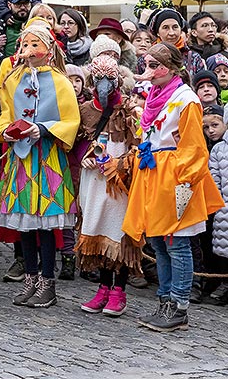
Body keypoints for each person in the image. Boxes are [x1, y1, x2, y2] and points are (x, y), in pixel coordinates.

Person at [123, 43, 224, 331]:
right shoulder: (154, 94)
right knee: (158, 242)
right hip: (153, 173)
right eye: (147, 65)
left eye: (156, 66)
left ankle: (178, 306)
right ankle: (165, 301)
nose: (149, 72)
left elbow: (194, 147)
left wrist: (183, 182)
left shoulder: (186, 99)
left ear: (174, 67)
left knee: (176, 243)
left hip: (174, 178)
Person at [0, 21, 80, 308]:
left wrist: (43, 129)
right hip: (20, 159)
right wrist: (4, 131)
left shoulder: (60, 81)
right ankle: (31, 279)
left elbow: (71, 120)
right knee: (26, 225)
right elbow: (4, 111)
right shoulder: (13, 79)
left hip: (47, 159)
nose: (28, 51)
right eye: (25, 45)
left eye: (34, 45)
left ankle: (48, 282)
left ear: (48, 49)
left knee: (45, 225)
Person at [75, 53, 143, 318]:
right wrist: (86, 156)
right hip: (93, 181)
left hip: (119, 183)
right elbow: (76, 141)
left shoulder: (129, 109)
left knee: (118, 232)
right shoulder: (85, 110)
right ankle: (103, 288)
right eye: (99, 79)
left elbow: (138, 146)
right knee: (97, 228)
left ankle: (119, 291)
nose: (104, 84)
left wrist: (120, 164)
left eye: (109, 79)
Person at [208, 100, 228, 305]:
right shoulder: (218, 150)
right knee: (225, 249)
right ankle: (225, 282)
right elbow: (214, 180)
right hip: (227, 208)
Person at [0, 0, 32, 66]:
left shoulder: (35, 26)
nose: (22, 7)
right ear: (9, 5)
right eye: (18, 4)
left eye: (26, 3)